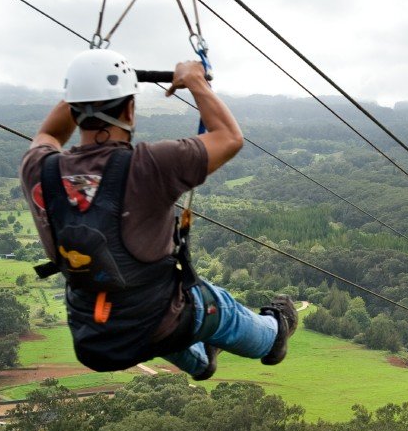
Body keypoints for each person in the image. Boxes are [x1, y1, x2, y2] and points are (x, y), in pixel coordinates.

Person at [19, 49, 296, 379]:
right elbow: (230, 138)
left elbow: (49, 135)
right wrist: (195, 80)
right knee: (215, 306)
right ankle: (273, 335)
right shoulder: (149, 165)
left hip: (94, 337)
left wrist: (83, 88)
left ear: (74, 107)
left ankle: (201, 361)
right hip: (160, 320)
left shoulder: (39, 169)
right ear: (131, 109)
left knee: (149, 312)